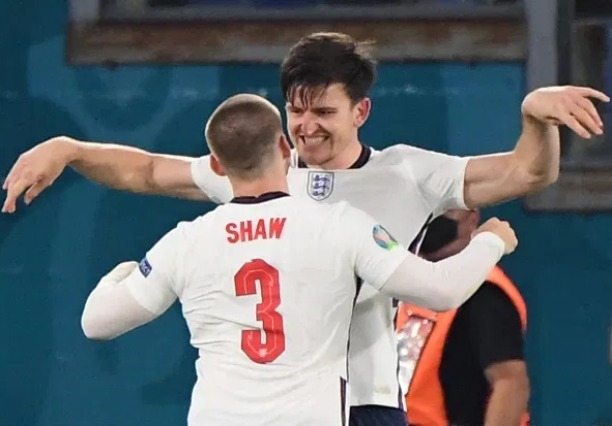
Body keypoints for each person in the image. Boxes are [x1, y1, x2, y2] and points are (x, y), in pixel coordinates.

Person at [2, 32, 607, 426]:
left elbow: (527, 172)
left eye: (324, 111)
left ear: (361, 110)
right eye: (295, 109)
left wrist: (535, 118)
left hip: (366, 398)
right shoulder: (258, 175)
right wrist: (71, 147)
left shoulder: (408, 173)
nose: (306, 125)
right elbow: (148, 170)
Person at [80, 93, 518, 426]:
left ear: (215, 164)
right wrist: (490, 242)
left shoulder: (186, 242)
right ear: (284, 148)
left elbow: (96, 323)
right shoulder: (340, 225)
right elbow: (441, 290)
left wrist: (121, 274)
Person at [396, 209, 530, 426]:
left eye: (447, 210)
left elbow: (510, 383)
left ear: (471, 219)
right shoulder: (408, 281)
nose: (435, 217)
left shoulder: (485, 292)